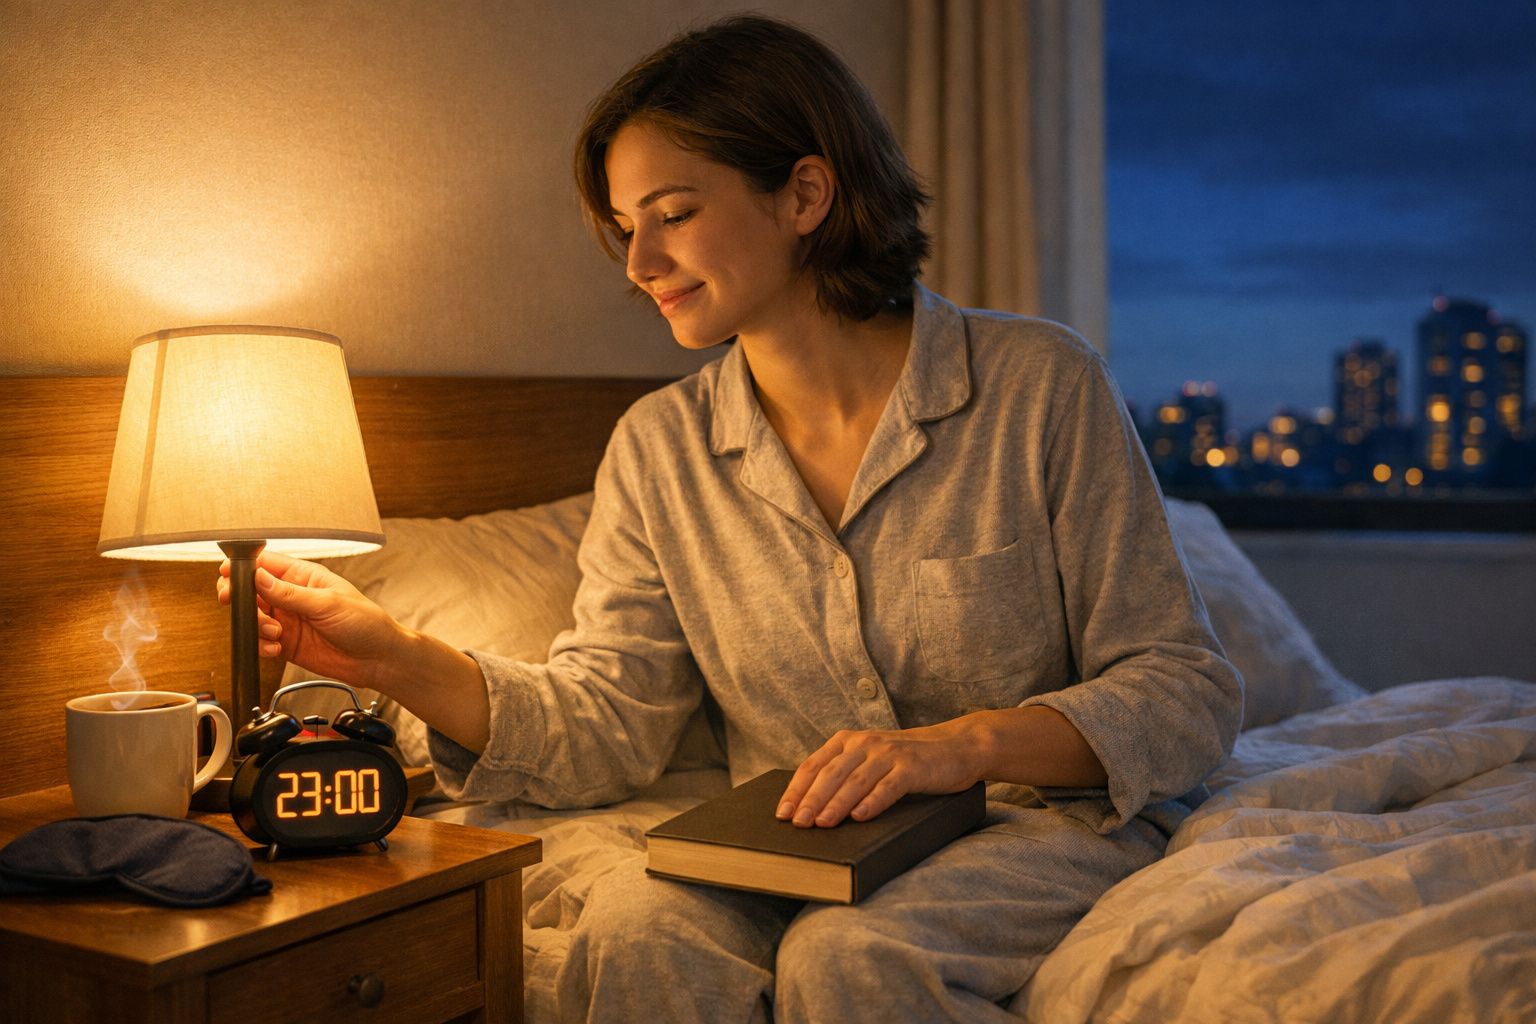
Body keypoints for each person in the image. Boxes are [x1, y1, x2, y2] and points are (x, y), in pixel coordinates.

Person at [220, 15, 1241, 1022]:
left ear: (804, 192)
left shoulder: (1038, 385)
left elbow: (1184, 687)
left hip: (1028, 822)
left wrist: (960, 745)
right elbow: (611, 721)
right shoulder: (659, 449)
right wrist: (394, 656)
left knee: (850, 957)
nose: (639, 264)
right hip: (789, 836)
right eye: (627, 229)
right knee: (634, 932)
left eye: (671, 213)